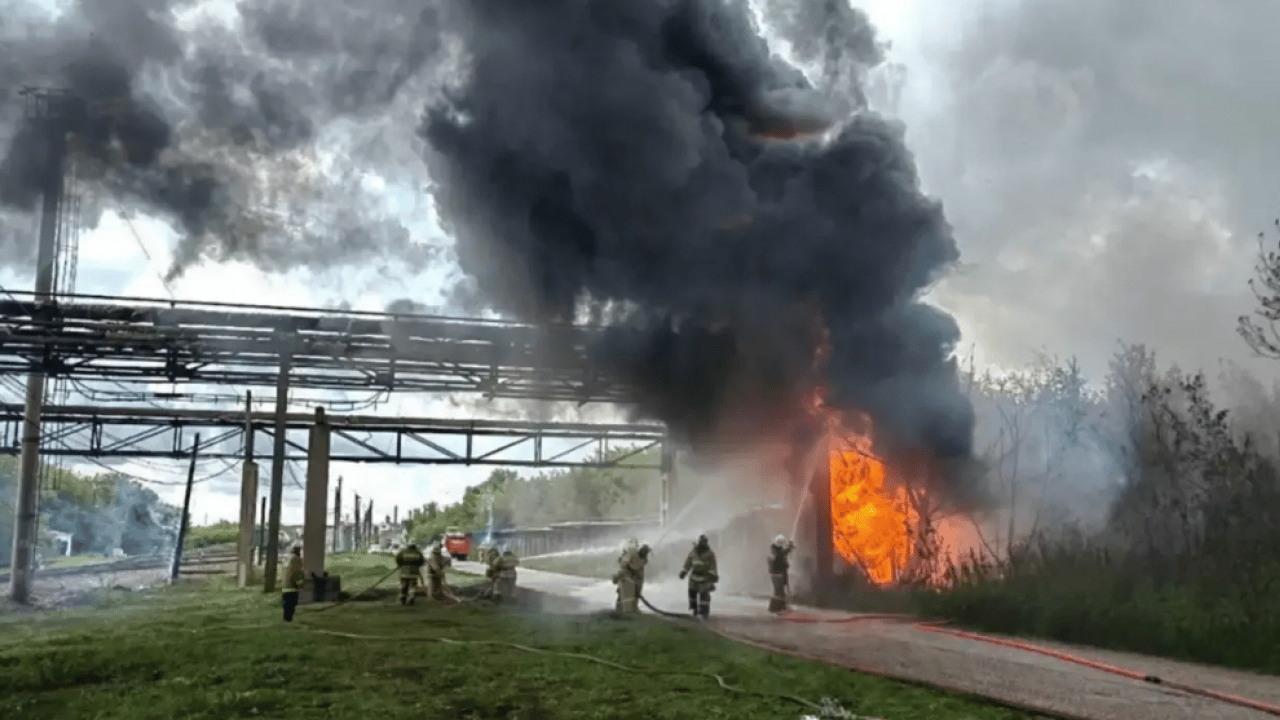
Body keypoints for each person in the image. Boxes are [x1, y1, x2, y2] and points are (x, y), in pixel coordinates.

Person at [679, 534, 718, 619]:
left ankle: (704, 612)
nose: (703, 543)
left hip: (705, 578)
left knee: (704, 596)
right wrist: (684, 572)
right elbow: (688, 563)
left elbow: (713, 566)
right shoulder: (693, 553)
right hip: (694, 577)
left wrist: (713, 577)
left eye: (704, 542)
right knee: (692, 593)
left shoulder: (710, 554)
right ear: (699, 542)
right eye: (702, 542)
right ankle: (694, 608)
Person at [612, 538, 647, 614]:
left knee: (629, 602)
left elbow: (639, 576)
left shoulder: (639, 561)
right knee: (626, 603)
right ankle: (623, 611)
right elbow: (625, 568)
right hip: (627, 581)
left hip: (632, 582)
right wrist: (617, 577)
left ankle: (628, 610)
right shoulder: (631, 557)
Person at [767, 534, 795, 613]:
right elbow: (782, 554)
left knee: (780, 591)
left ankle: (782, 606)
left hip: (779, 573)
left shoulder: (776, 549)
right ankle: (779, 607)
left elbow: (783, 553)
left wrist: (789, 547)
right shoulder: (776, 550)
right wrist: (789, 547)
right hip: (778, 574)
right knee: (779, 591)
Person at [281, 546, 305, 622]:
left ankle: (286, 619)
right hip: (292, 586)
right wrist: (300, 581)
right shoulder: (296, 559)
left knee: (286, 604)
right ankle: (289, 619)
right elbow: (297, 572)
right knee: (291, 604)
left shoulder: (286, 559)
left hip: (285, 586)